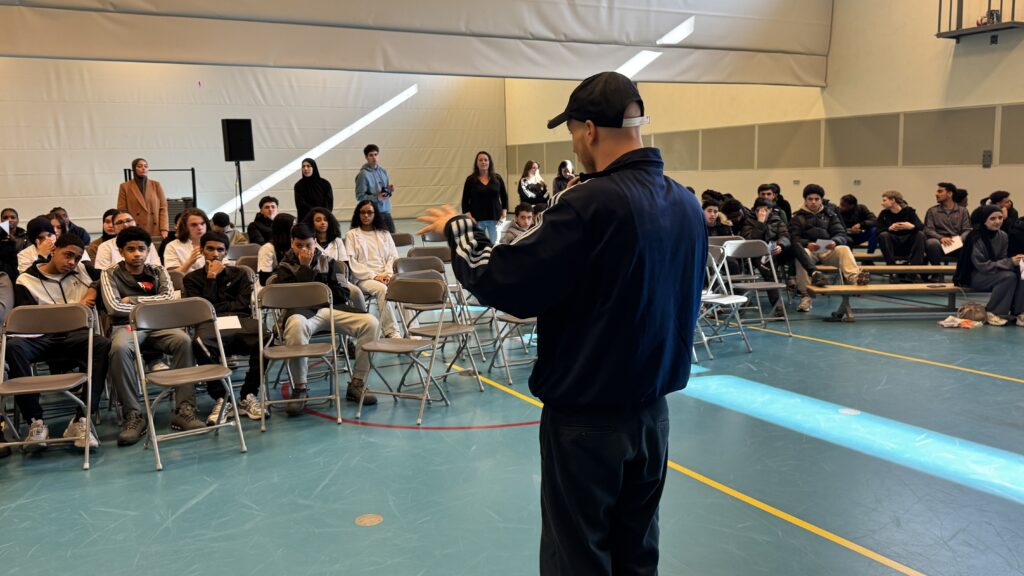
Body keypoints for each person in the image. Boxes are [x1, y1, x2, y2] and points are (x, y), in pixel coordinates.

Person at [417, 71, 706, 576]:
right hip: (652, 417)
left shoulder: (589, 204)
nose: (573, 143)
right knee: (637, 554)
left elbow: (504, 279)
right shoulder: (685, 203)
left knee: (578, 558)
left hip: (587, 421)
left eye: (572, 131)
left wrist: (458, 228)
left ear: (589, 130)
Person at [8, 234, 109, 451]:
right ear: (53, 250)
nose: (72, 262)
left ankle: (81, 420)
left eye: (77, 258)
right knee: (14, 347)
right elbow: (26, 323)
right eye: (68, 255)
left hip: (75, 336)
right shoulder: (26, 280)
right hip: (40, 337)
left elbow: (109, 277)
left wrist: (92, 289)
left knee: (101, 344)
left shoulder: (84, 271)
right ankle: (35, 422)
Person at [101, 226, 200, 444]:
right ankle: (133, 415)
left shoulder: (158, 271)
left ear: (148, 250)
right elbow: (114, 308)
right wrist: (149, 305)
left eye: (141, 249)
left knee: (183, 340)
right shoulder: (109, 273)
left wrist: (132, 300)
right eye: (131, 249)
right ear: (121, 251)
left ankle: (184, 409)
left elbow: (168, 298)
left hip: (158, 325)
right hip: (126, 326)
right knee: (119, 348)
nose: (137, 254)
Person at [274, 223, 379, 412]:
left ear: (315, 242)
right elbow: (290, 298)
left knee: (371, 322)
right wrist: (306, 269)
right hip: (302, 313)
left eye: (308, 245)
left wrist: (315, 292)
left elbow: (342, 294)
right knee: (295, 325)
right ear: (292, 243)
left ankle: (357, 383)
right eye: (299, 245)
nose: (304, 250)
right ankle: (300, 388)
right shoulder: (284, 267)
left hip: (331, 309)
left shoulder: (332, 263)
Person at [183, 231, 266, 424]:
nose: (215, 254)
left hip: (239, 321)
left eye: (220, 250)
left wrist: (217, 306)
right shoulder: (191, 279)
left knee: (266, 336)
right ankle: (222, 398)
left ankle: (248, 395)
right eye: (210, 249)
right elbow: (203, 310)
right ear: (202, 251)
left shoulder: (240, 274)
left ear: (226, 252)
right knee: (199, 343)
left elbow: (242, 306)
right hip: (209, 324)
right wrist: (211, 278)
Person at [789, 184, 869, 312]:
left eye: (817, 199)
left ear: (821, 200)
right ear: (805, 200)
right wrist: (807, 243)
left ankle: (855, 279)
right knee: (802, 253)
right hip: (809, 250)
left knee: (844, 249)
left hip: (827, 249)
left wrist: (835, 241)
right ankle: (806, 295)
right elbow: (794, 238)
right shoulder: (797, 217)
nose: (813, 202)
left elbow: (841, 234)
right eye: (810, 199)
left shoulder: (831, 215)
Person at [953, 205, 1024, 326]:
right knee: (1008, 277)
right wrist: (1009, 262)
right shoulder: (975, 237)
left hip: (994, 272)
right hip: (975, 275)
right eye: (992, 218)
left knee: (1022, 273)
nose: (998, 221)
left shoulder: (1003, 236)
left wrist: (1017, 261)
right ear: (984, 220)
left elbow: (1002, 258)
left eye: (1000, 218)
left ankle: (1019, 312)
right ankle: (994, 312)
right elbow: (982, 266)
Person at [345, 200, 402, 339]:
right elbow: (352, 262)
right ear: (358, 214)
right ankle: (392, 332)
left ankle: (412, 329)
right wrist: (375, 276)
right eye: (362, 212)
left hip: (386, 274)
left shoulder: (384, 233)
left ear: (375, 214)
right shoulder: (351, 234)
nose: (366, 215)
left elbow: (393, 256)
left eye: (369, 212)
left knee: (402, 286)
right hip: (364, 278)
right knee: (382, 289)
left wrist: (387, 274)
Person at [461, 150, 508, 243]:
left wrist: (504, 214)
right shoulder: (470, 180)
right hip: (477, 219)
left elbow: (504, 197)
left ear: (489, 162)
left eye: (486, 160)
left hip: (495, 218)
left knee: (495, 244)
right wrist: (470, 217)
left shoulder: (497, 178)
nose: (483, 162)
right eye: (480, 160)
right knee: (479, 245)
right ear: (476, 163)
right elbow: (465, 201)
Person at [117, 158, 169, 239]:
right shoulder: (125, 187)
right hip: (135, 230)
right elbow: (122, 210)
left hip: (155, 229)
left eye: (145, 166)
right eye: (139, 166)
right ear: (134, 169)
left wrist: (164, 228)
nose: (143, 168)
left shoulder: (156, 185)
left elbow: (163, 208)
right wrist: (128, 227)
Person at [924, 183, 971, 271]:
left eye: (940, 191)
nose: (936, 194)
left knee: (970, 244)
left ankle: (963, 274)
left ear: (950, 194)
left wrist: (960, 238)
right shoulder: (932, 211)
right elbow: (928, 230)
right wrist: (941, 238)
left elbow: (967, 229)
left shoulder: (963, 211)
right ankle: (936, 272)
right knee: (931, 243)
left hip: (957, 242)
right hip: (940, 243)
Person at [876, 190, 926, 273]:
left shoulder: (909, 211)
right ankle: (891, 268)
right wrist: (889, 228)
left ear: (893, 200)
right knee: (883, 235)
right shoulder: (884, 213)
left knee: (920, 234)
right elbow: (878, 230)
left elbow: (921, 226)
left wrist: (911, 226)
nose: (882, 203)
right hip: (893, 245)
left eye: (884, 200)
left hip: (908, 245)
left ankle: (915, 269)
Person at [94, 211, 161, 270]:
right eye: (120, 222)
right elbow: (102, 272)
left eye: (128, 221)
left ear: (135, 223)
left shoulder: (147, 243)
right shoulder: (105, 246)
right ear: (114, 227)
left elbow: (157, 267)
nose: (125, 225)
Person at [354, 144, 396, 233]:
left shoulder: (383, 171)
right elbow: (360, 196)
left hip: (386, 211)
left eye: (376, 154)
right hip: (373, 214)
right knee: (377, 240)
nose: (374, 157)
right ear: (366, 157)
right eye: (371, 155)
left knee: (393, 238)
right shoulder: (363, 174)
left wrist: (389, 189)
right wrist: (376, 197)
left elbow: (383, 190)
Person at [163, 207, 211, 273]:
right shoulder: (172, 246)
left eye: (202, 224)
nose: (200, 228)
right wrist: (189, 262)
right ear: (185, 227)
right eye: (194, 225)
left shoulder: (215, 243)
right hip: (184, 279)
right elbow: (173, 275)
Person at [257, 213, 295, 286]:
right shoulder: (267, 248)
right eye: (293, 225)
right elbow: (264, 280)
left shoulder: (295, 245)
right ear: (284, 228)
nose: (297, 228)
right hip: (274, 287)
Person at [293, 158, 333, 223]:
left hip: (323, 219)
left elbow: (328, 203)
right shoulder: (298, 186)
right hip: (306, 220)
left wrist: (321, 215)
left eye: (308, 166)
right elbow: (301, 205)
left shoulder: (325, 184)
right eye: (303, 166)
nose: (305, 169)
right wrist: (315, 214)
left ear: (314, 167)